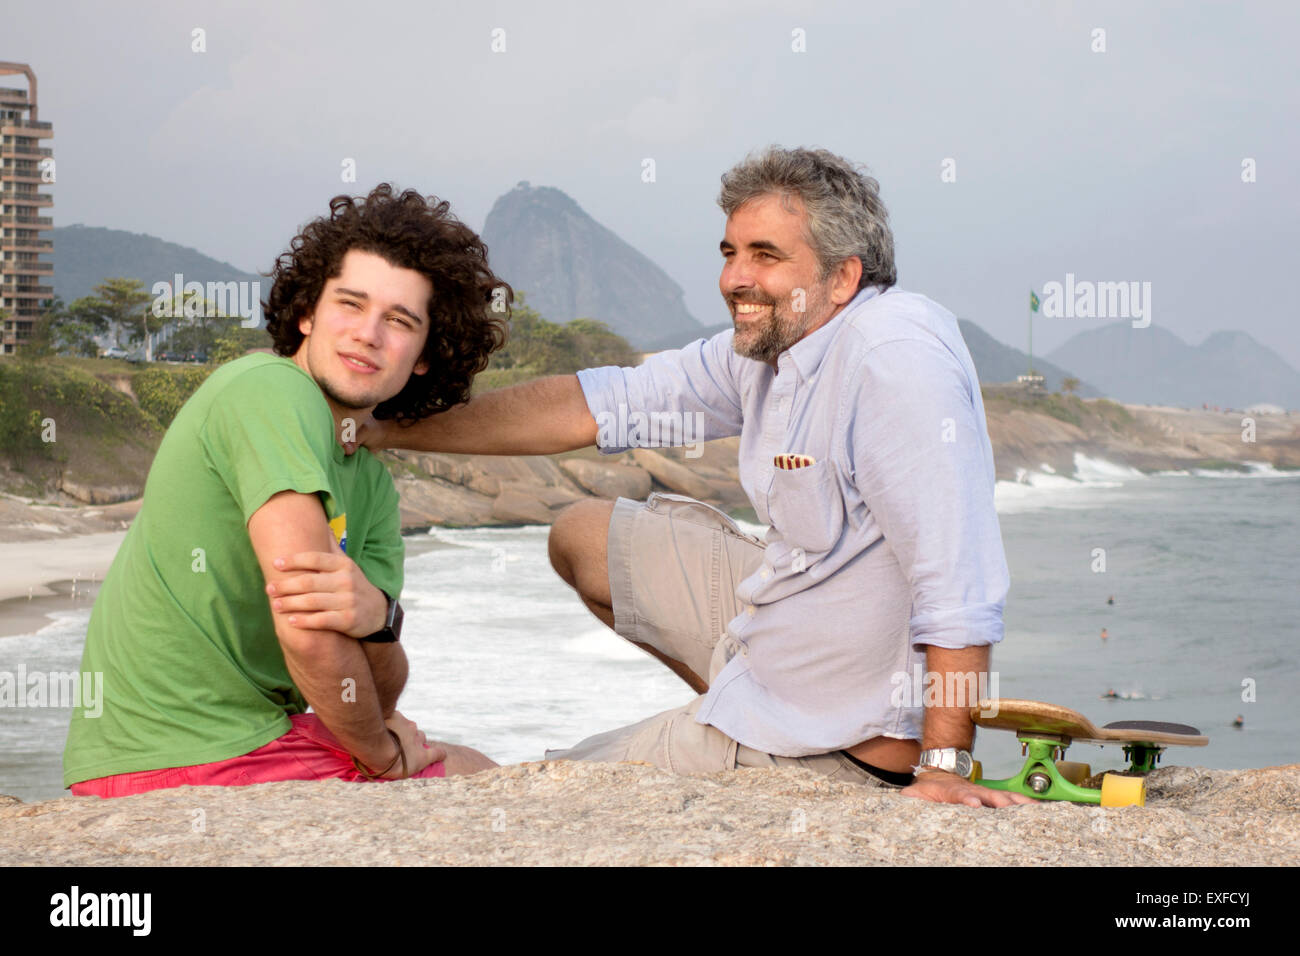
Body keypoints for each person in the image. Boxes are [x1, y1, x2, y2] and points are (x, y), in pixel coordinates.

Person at [352, 147, 1032, 808]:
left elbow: (957, 580)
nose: (734, 277)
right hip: (788, 633)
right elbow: (598, 404)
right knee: (582, 533)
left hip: (837, 739)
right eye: (730, 252)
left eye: (765, 256)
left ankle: (741, 739)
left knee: (523, 790)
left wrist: (945, 768)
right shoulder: (773, 346)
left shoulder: (894, 361)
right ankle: (734, 697)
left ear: (843, 278)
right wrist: (388, 428)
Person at [64, 184, 502, 797]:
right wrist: (378, 754)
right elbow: (307, 625)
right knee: (476, 781)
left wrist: (378, 615)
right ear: (306, 313)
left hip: (243, 740)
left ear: (425, 355)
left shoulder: (370, 482)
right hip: (180, 756)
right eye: (350, 304)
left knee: (469, 768)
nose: (368, 334)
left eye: (399, 321)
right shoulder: (269, 389)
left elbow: (375, 687)